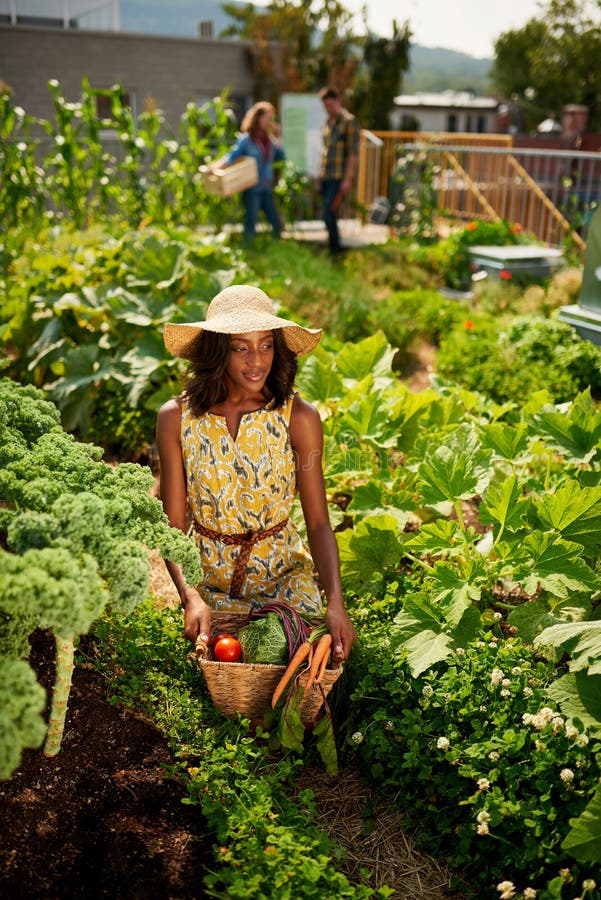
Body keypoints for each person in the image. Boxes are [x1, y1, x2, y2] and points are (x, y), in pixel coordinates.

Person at [156, 284, 357, 664]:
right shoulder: (176, 419)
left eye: (266, 345)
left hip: (284, 581)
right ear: (218, 351)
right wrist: (190, 596)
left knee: (306, 666)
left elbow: (317, 522)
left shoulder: (298, 417)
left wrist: (335, 602)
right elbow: (173, 526)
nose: (257, 360)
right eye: (241, 347)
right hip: (209, 586)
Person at [220, 101, 285, 244]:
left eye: (271, 119)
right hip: (252, 187)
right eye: (267, 118)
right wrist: (218, 168)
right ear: (258, 118)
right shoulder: (247, 141)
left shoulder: (270, 140)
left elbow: (281, 156)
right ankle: (249, 250)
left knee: (275, 220)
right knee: (251, 221)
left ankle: (278, 248)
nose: (269, 122)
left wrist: (278, 135)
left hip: (267, 186)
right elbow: (232, 157)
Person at [317, 87, 360, 257]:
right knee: (328, 213)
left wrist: (347, 178)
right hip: (326, 175)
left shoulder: (349, 122)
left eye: (331, 105)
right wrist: (319, 177)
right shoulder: (327, 123)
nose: (328, 109)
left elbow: (353, 153)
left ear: (338, 102)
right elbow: (325, 151)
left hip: (338, 177)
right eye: (325, 106)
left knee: (329, 210)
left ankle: (335, 248)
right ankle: (333, 246)